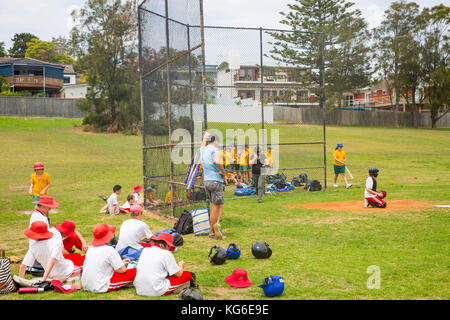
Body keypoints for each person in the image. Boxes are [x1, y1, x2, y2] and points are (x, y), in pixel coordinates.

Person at [19, 221, 84, 282]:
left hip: (52, 276)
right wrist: (44, 279)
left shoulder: (33, 247)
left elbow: (23, 265)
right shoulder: (56, 242)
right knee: (86, 264)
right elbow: (52, 260)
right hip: (67, 272)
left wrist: (20, 280)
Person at [82, 223, 136, 293]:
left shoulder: (90, 248)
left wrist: (121, 263)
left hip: (86, 285)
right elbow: (122, 270)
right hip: (101, 286)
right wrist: (123, 264)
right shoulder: (109, 249)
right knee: (135, 271)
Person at [134, 232, 191, 297]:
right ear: (162, 245)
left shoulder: (145, 250)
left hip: (139, 289)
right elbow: (179, 274)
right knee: (187, 274)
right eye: (168, 246)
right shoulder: (166, 253)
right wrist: (180, 265)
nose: (169, 249)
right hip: (156, 290)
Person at [200, 132, 227, 240]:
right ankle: (212, 232)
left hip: (206, 181)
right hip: (215, 180)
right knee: (216, 207)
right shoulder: (213, 150)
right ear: (215, 141)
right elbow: (217, 161)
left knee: (217, 205)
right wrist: (224, 172)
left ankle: (216, 227)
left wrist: (205, 135)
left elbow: (203, 144)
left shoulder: (203, 149)